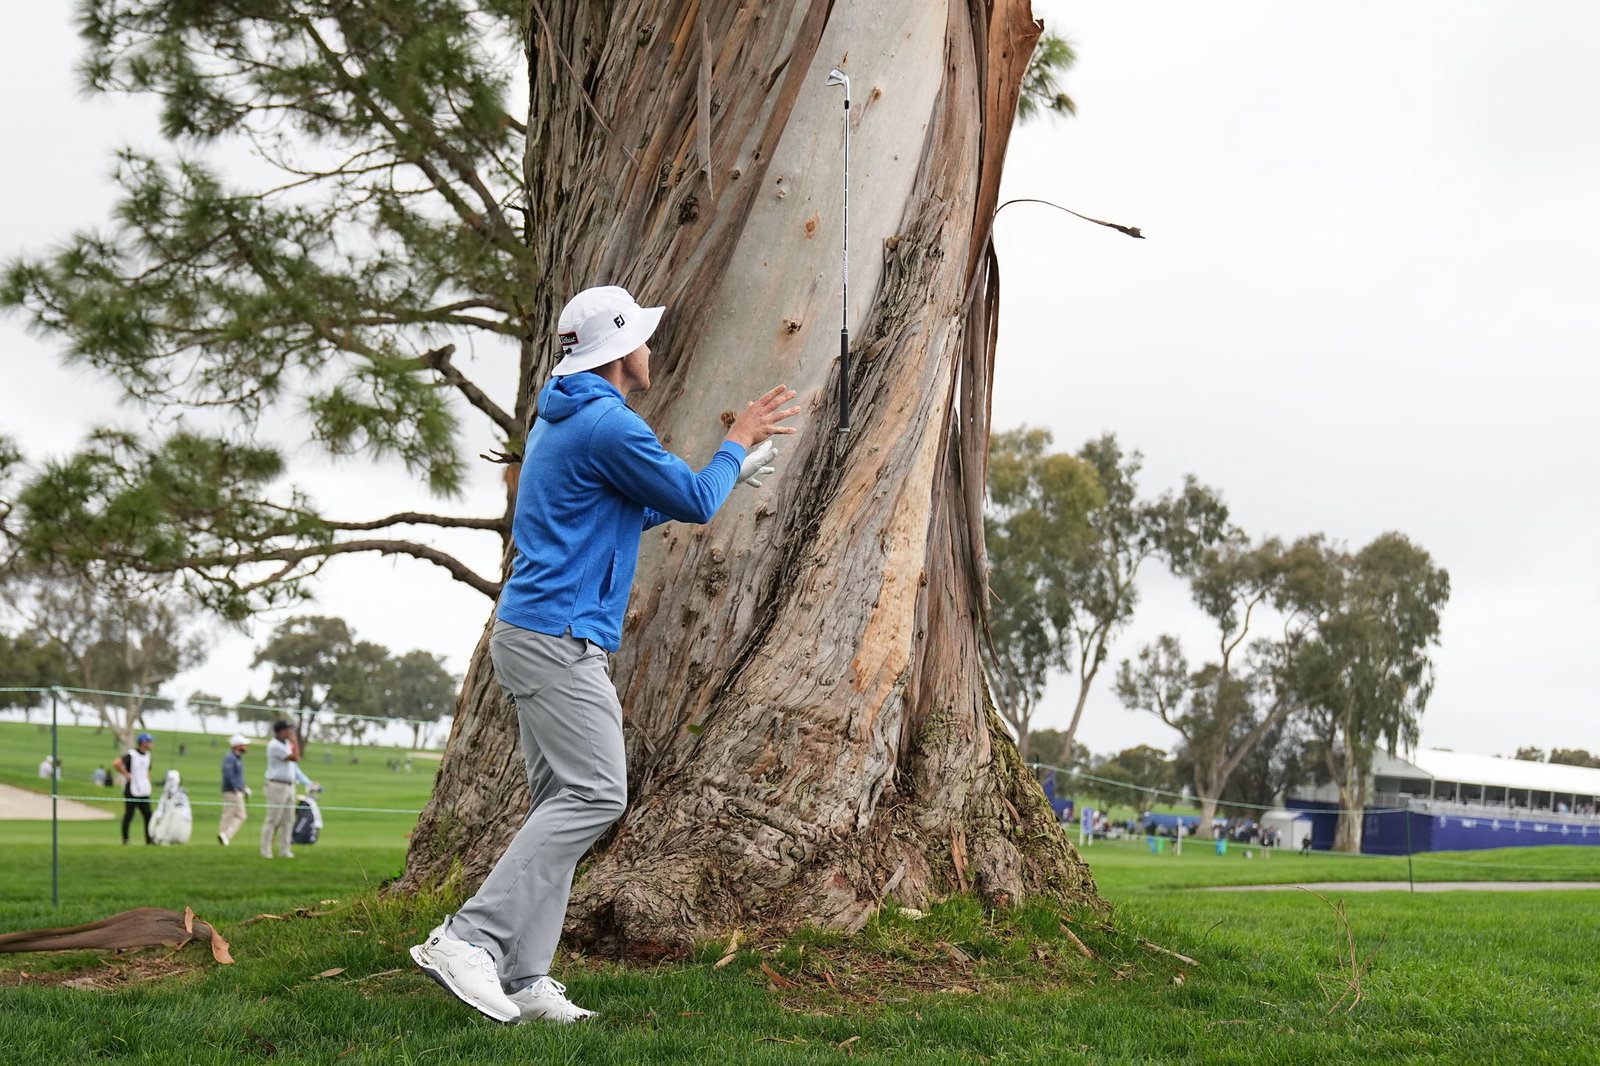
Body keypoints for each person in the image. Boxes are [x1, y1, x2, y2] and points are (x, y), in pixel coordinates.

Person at [408, 285, 799, 1026]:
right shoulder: (607, 422)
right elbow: (690, 499)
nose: (651, 350)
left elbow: (639, 504)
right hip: (558, 639)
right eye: (643, 340)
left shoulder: (569, 414)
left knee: (563, 802)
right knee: (596, 796)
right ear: (621, 352)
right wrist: (736, 442)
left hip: (534, 633)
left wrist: (728, 472)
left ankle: (524, 978)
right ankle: (466, 939)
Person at [260, 721, 300, 859]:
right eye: (288, 730)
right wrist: (294, 739)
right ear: (281, 731)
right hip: (276, 786)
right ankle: (266, 851)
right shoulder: (275, 745)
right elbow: (295, 757)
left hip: (289, 786)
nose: (290, 732)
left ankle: (285, 850)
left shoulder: (285, 744)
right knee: (273, 820)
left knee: (289, 820)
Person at [113, 733, 156, 845]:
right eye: (150, 742)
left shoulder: (148, 756)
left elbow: (147, 771)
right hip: (131, 789)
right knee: (129, 814)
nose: (152, 744)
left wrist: (147, 782)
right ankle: (126, 839)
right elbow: (117, 763)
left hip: (143, 790)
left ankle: (149, 839)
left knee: (148, 815)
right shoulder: (131, 754)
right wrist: (126, 774)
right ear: (143, 743)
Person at [218, 734, 251, 846]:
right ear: (237, 746)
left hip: (235, 790)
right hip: (232, 791)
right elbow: (229, 775)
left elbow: (238, 776)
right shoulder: (230, 758)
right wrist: (237, 788)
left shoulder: (237, 758)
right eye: (244, 745)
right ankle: (226, 835)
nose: (246, 747)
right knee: (241, 815)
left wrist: (244, 786)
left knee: (228, 814)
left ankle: (223, 836)